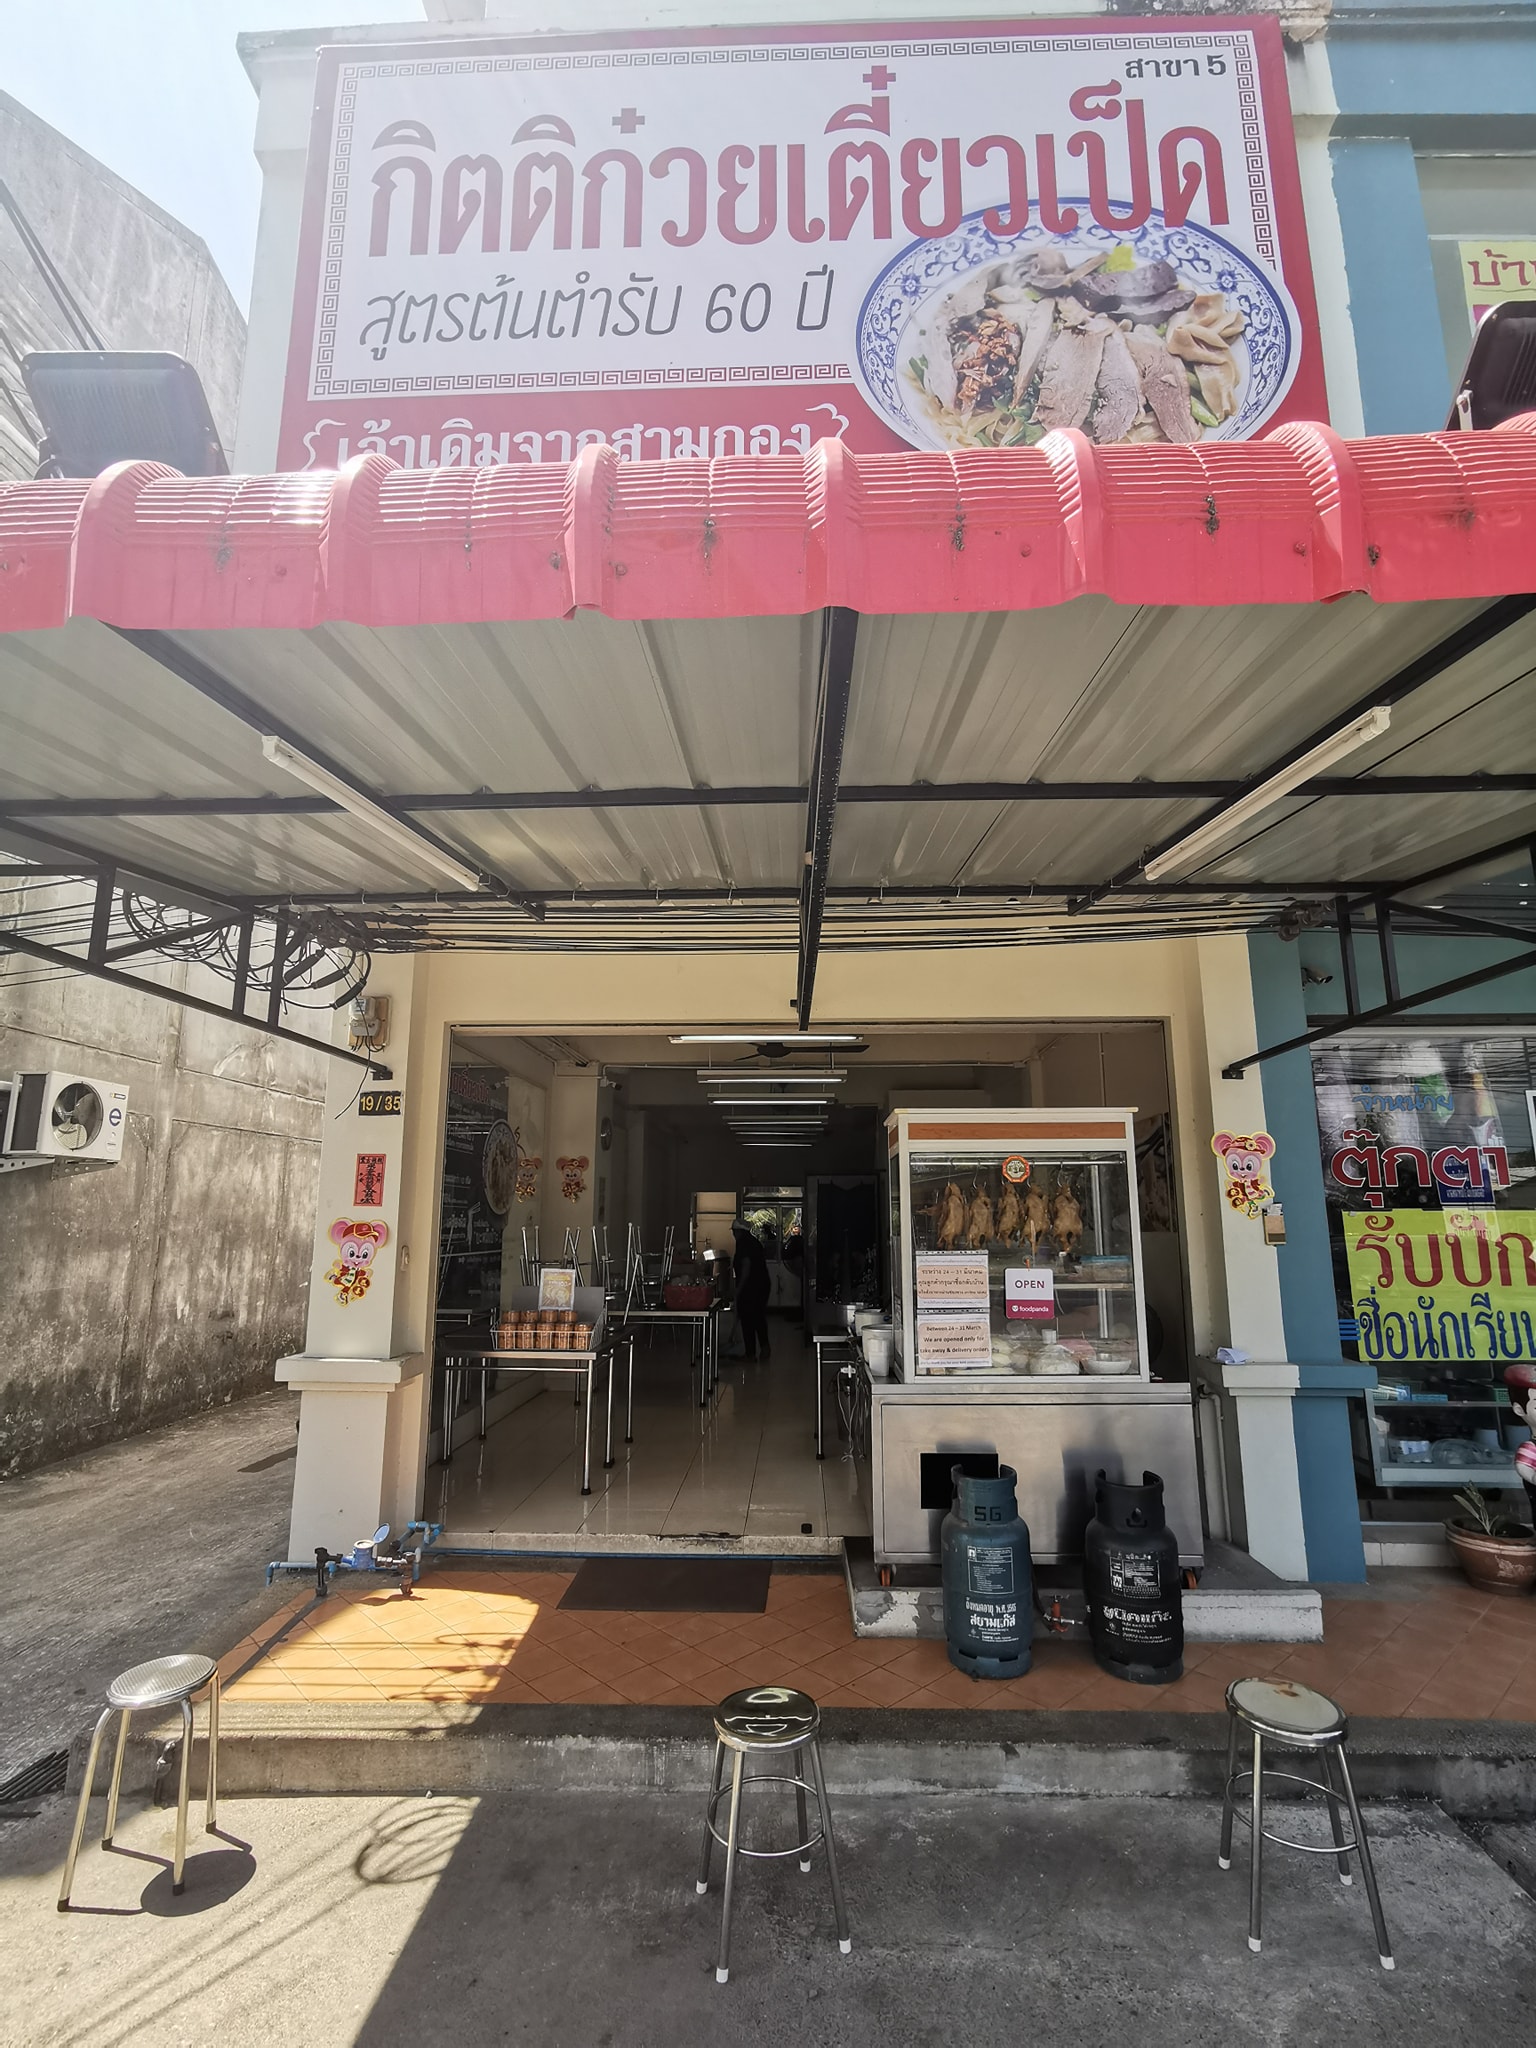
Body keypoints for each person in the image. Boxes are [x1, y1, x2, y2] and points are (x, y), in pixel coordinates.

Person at [731, 1221, 771, 1363]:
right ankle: (764, 1348)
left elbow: (746, 1266)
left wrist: (739, 1288)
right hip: (762, 1285)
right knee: (758, 1317)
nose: (733, 1234)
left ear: (738, 1232)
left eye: (734, 1231)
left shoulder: (743, 1243)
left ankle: (750, 1354)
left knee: (748, 1319)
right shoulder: (754, 1241)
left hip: (751, 1287)